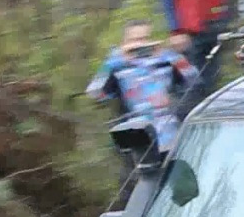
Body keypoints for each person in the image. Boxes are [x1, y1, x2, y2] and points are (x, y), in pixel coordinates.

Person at [86, 20, 201, 189]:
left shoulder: (165, 61)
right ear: (125, 42)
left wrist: (171, 55)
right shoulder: (117, 66)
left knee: (183, 191)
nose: (140, 44)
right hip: (137, 142)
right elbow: (95, 93)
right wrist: (114, 60)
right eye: (135, 40)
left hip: (171, 138)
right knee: (141, 193)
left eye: (145, 38)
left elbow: (194, 78)